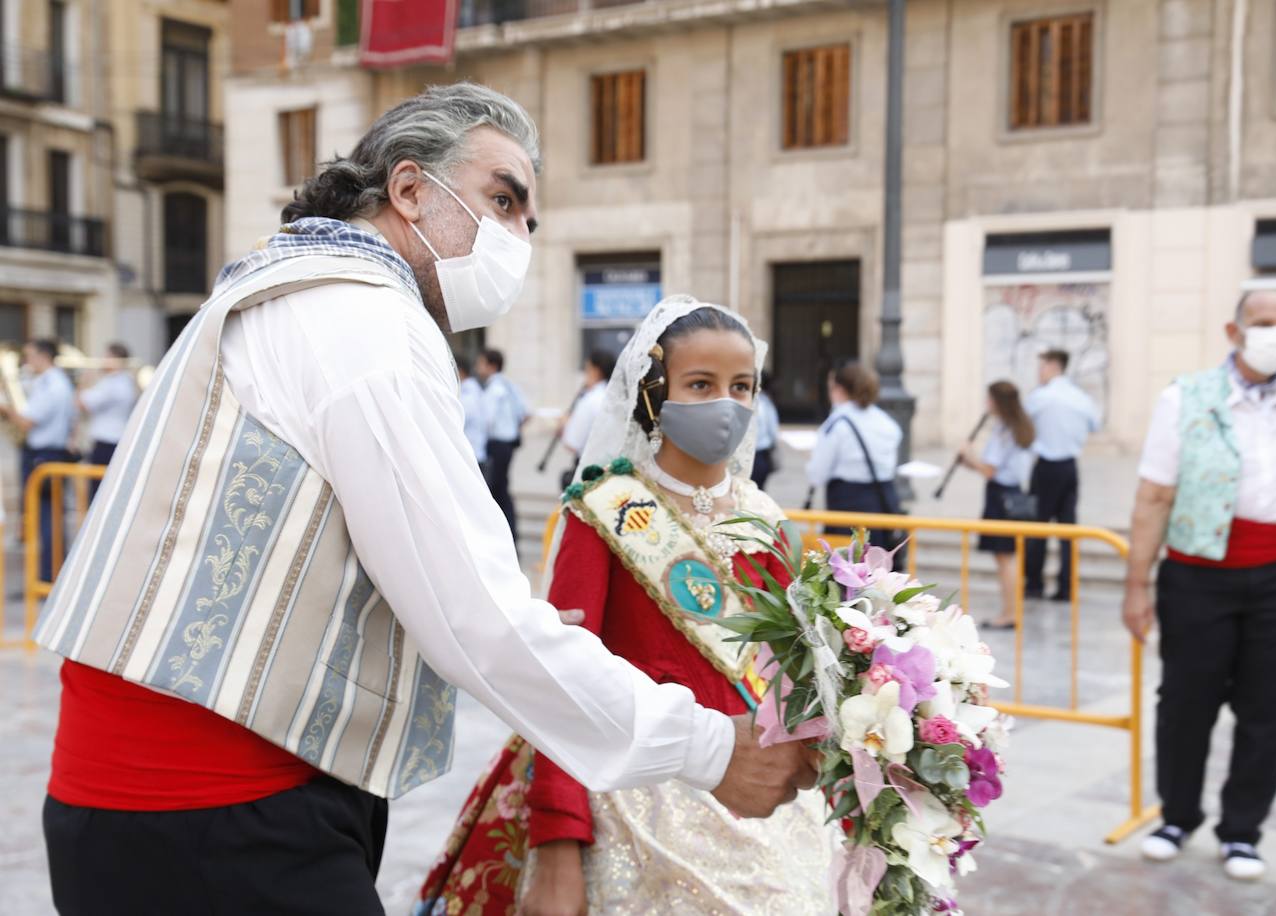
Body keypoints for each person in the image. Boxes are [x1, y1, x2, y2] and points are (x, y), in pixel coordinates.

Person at [33, 83, 814, 915]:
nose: (517, 238)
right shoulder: (364, 322)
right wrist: (706, 747)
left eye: (528, 220)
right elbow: (474, 614)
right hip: (216, 809)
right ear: (409, 191)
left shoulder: (283, 286)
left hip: (149, 801)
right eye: (502, 199)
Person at [418, 297, 836, 915]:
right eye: (701, 385)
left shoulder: (767, 521)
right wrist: (559, 845)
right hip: (632, 790)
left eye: (742, 386)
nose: (727, 404)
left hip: (756, 793)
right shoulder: (605, 511)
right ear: (652, 395)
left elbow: (789, 674)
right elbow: (559, 686)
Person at [1123, 290, 1276, 881]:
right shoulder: (1185, 396)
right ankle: (1177, 816)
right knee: (1185, 703)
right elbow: (1154, 496)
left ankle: (1243, 831)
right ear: (1235, 331)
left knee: (1269, 708)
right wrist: (1137, 583)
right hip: (1197, 574)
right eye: (1265, 323)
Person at [1023, 349, 1100, 601]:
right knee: (1068, 530)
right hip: (1069, 467)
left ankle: (1034, 583)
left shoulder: (1041, 397)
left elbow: (1023, 422)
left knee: (1037, 528)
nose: (1039, 372)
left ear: (1052, 366)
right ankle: (1066, 586)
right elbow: (1094, 425)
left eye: (1041, 366)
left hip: (1045, 467)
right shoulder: (1081, 398)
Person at [958, 381, 1036, 629]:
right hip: (1009, 493)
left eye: (988, 398)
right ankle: (1010, 610)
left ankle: (1009, 613)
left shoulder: (1004, 431)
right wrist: (969, 464)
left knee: (1005, 559)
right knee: (1006, 558)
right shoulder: (1017, 428)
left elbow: (991, 470)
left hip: (1001, 497)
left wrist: (969, 455)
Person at [0, 338, 77, 580]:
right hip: (45, 452)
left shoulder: (53, 385)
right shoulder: (49, 382)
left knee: (48, 517)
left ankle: (50, 574)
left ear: (43, 356)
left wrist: (4, 407)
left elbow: (26, 421)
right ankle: (49, 571)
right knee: (46, 516)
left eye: (30, 355)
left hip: (45, 455)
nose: (26, 361)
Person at [807, 361, 903, 551]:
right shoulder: (886, 423)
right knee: (877, 570)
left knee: (846, 571)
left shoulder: (837, 424)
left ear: (839, 389)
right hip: (882, 506)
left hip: (847, 508)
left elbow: (817, 475)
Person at [477, 347, 527, 537]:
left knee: (498, 490)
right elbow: (526, 412)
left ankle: (505, 533)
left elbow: (486, 420)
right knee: (502, 487)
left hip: (497, 444)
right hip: (509, 444)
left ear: (491, 366)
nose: (478, 367)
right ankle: (510, 532)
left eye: (481, 363)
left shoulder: (494, 389)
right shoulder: (509, 385)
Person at [78, 342, 140, 478]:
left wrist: (83, 381)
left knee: (99, 487)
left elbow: (82, 404)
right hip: (115, 440)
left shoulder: (112, 384)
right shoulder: (125, 381)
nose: (103, 360)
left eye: (106, 357)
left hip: (106, 442)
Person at [559, 348, 614, 459]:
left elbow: (572, 444)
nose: (585, 375)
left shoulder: (590, 400)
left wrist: (565, 424)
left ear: (596, 371)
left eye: (587, 369)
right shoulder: (615, 396)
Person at [456, 353, 488, 468]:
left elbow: (457, 421)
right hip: (474, 454)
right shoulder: (474, 390)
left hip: (471, 456)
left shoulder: (468, 395)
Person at [751, 369, 780, 490]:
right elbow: (773, 431)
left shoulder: (755, 402)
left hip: (755, 454)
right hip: (760, 455)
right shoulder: (766, 404)